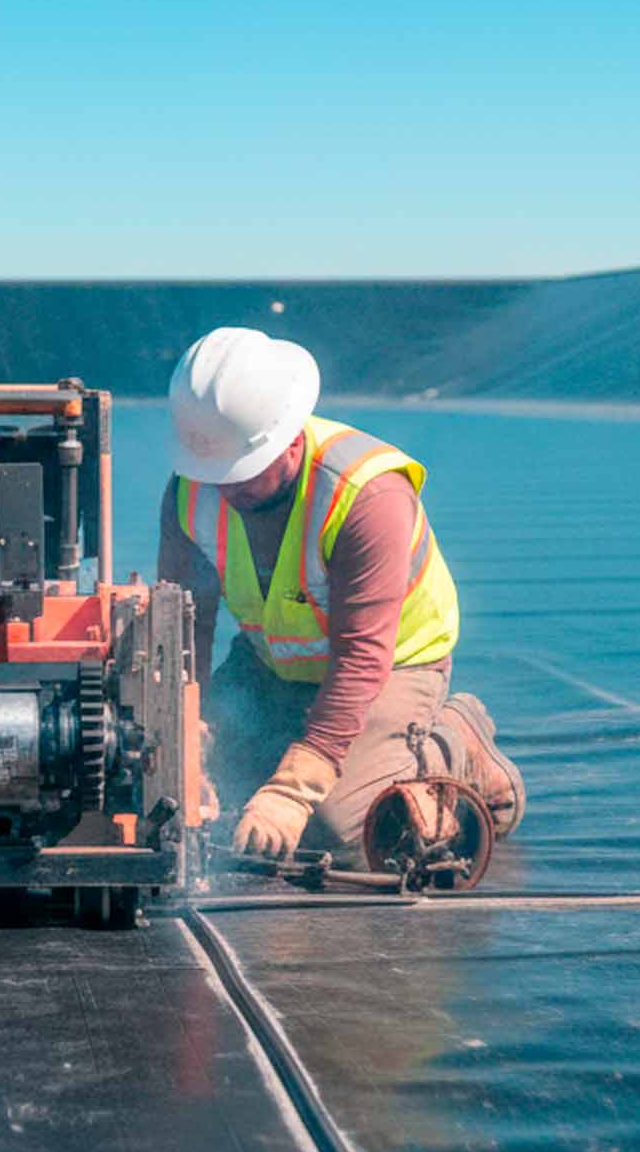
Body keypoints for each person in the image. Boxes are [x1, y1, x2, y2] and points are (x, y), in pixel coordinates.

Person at [157, 326, 525, 865]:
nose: (225, 488)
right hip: (275, 665)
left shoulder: (366, 497)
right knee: (194, 790)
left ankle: (452, 741)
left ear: (289, 439)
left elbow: (361, 657)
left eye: (242, 472)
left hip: (391, 666)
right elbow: (185, 629)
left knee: (331, 823)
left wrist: (295, 787)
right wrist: (189, 740)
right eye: (214, 472)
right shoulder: (193, 489)